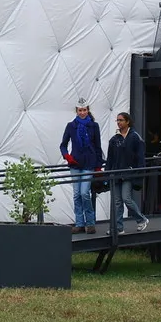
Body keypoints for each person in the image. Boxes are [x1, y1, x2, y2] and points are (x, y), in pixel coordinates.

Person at [60, 97, 104, 234]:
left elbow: (98, 147)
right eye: (80, 110)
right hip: (75, 163)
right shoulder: (71, 126)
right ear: (76, 111)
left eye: (84, 110)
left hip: (89, 163)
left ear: (88, 110)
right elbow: (63, 145)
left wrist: (98, 166)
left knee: (85, 193)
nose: (82, 113)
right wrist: (67, 156)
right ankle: (79, 223)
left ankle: (90, 223)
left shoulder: (94, 126)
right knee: (77, 194)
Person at [105, 112, 149, 235]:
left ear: (127, 121)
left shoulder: (135, 137)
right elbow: (110, 158)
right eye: (117, 120)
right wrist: (107, 174)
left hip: (129, 173)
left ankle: (141, 219)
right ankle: (118, 227)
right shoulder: (114, 139)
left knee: (126, 198)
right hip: (116, 173)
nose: (118, 122)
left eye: (121, 120)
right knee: (117, 201)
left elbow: (140, 157)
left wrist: (138, 173)